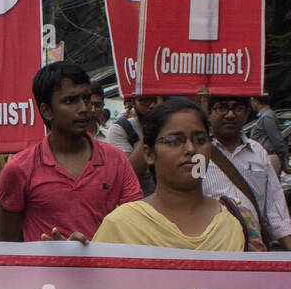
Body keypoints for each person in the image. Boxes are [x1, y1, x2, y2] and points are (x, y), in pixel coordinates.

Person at [0, 63, 142, 243]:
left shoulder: (116, 159)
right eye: (70, 101)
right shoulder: (19, 169)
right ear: (47, 111)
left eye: (86, 99)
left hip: (104, 271)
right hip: (42, 271)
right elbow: (7, 246)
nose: (84, 108)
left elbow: (136, 226)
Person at [94, 98, 261, 250]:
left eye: (200, 140)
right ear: (149, 154)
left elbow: (263, 280)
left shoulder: (238, 218)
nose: (190, 149)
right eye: (175, 141)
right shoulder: (122, 225)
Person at [201, 95, 291, 250]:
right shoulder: (198, 155)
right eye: (222, 107)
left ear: (247, 113)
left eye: (237, 108)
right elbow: (188, 197)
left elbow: (275, 205)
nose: (230, 115)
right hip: (212, 249)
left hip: (254, 249)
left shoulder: (258, 153)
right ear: (209, 112)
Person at [104, 94, 157, 195]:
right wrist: (151, 129)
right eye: (145, 100)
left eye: (157, 100)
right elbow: (128, 175)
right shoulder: (121, 129)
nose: (152, 105)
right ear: (133, 102)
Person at [249, 93, 289, 175]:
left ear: (256, 102)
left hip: (269, 158)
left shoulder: (267, 117)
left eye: (252, 100)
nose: (251, 103)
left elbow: (276, 140)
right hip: (262, 158)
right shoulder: (264, 116)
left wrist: (284, 159)